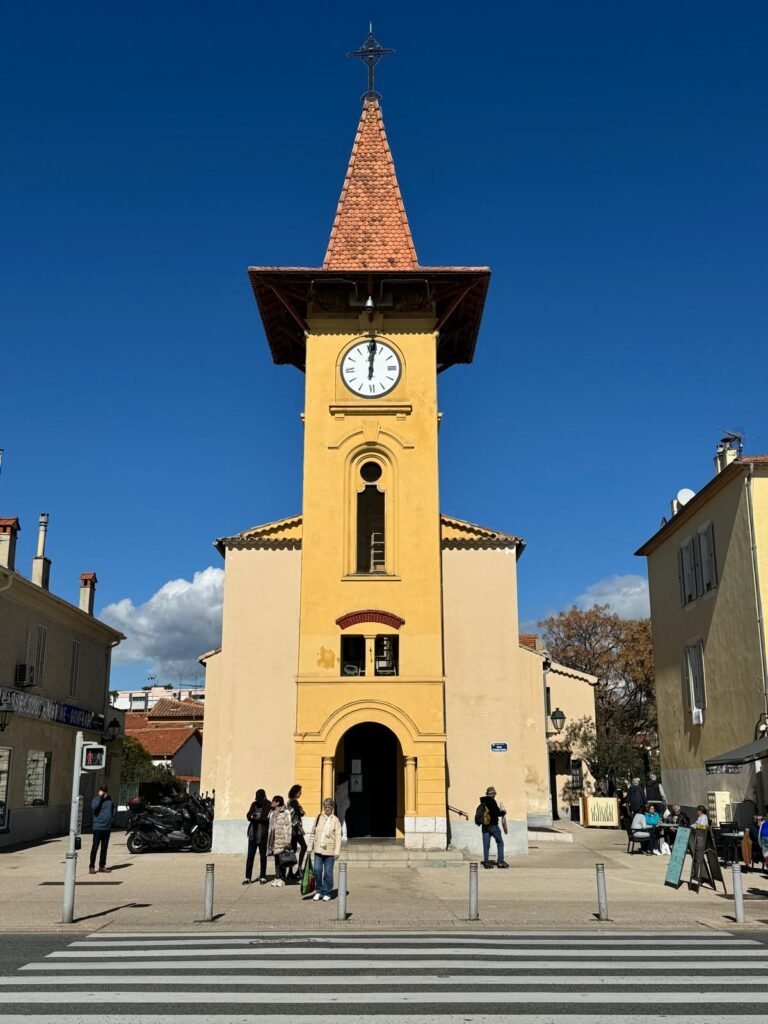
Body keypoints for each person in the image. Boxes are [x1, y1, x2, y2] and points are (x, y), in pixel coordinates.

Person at [311, 797, 342, 901]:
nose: (326, 809)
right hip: (318, 850)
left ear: (332, 808)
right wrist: (309, 847)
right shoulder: (319, 817)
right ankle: (319, 891)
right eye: (325, 807)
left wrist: (337, 851)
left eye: (328, 807)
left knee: (328, 873)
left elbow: (338, 837)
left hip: (330, 851)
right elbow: (313, 833)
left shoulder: (336, 820)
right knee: (317, 870)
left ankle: (327, 892)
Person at [475, 786, 509, 868]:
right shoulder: (492, 801)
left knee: (486, 845)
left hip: (485, 826)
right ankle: (500, 862)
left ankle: (486, 862)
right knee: (500, 842)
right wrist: (503, 812)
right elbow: (497, 813)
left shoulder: (483, 802)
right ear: (493, 793)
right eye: (494, 794)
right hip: (493, 826)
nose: (495, 795)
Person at [243, 788, 270, 885]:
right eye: (257, 799)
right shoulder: (253, 804)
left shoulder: (268, 805)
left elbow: (268, 818)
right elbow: (248, 815)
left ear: (263, 797)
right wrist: (251, 816)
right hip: (253, 834)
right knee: (250, 856)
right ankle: (248, 877)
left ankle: (263, 876)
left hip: (263, 834)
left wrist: (259, 818)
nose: (257, 801)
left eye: (259, 799)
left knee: (263, 856)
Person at [267, 795, 293, 887]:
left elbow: (288, 826)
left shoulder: (285, 812)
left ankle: (282, 879)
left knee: (283, 860)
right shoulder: (272, 812)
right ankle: (277, 877)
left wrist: (287, 841)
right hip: (274, 840)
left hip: (282, 840)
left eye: (273, 801)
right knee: (277, 860)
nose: (272, 803)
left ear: (278, 802)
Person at [89, 785, 115, 874]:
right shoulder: (96, 799)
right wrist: (100, 797)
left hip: (107, 827)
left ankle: (102, 866)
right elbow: (93, 807)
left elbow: (113, 808)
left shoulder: (110, 799)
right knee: (95, 847)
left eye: (105, 790)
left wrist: (112, 818)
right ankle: (91, 866)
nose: (104, 792)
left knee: (104, 848)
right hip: (98, 827)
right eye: (102, 790)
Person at [287, 784, 307, 884]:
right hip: (296, 828)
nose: (301, 793)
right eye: (300, 791)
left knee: (293, 849)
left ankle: (290, 872)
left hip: (293, 829)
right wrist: (302, 811)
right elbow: (300, 813)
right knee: (304, 846)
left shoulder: (290, 801)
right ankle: (298, 869)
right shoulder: (294, 801)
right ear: (296, 792)